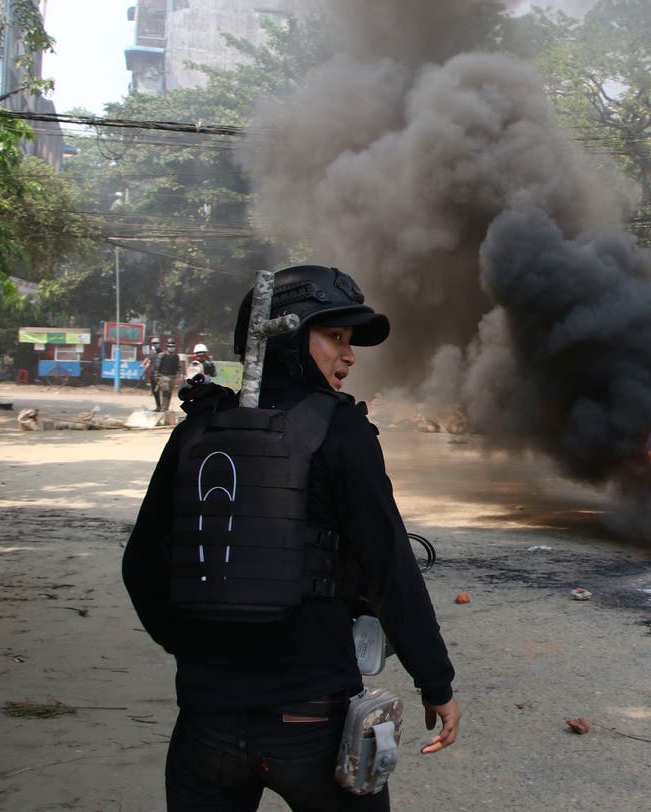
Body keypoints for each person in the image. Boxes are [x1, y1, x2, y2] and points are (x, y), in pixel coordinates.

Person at [123, 264, 460, 810]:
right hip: (312, 724)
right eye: (334, 337)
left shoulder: (196, 431)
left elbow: (141, 564)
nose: (349, 356)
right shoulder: (341, 430)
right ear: (288, 338)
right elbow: (390, 568)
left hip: (206, 724)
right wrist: (435, 682)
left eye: (350, 342)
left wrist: (195, 649)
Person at [154, 340, 181, 412]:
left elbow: (178, 366)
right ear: (167, 347)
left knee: (169, 392)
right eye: (170, 346)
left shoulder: (176, 356)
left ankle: (166, 408)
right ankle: (163, 408)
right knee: (165, 391)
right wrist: (156, 375)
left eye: (173, 346)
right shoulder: (162, 355)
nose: (171, 348)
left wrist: (180, 375)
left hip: (173, 376)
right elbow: (157, 366)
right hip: (164, 376)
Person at [142, 341, 162, 410]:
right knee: (155, 391)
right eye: (153, 343)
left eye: (156, 343)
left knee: (160, 391)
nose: (155, 345)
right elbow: (148, 361)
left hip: (160, 374)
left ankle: (162, 407)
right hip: (153, 373)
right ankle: (158, 406)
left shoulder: (161, 353)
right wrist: (144, 366)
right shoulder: (152, 353)